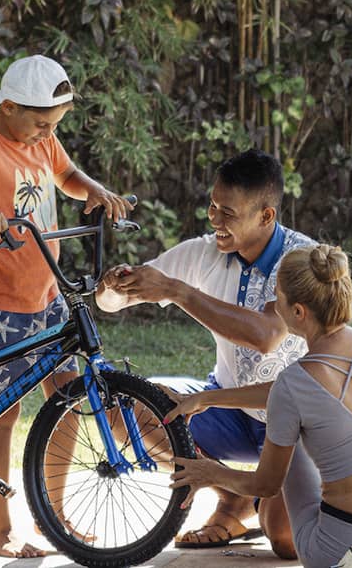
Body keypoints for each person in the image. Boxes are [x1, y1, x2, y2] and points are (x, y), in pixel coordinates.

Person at [0, 53, 132, 560]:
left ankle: (53, 515)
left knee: (70, 400)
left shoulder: (41, 137)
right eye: (40, 124)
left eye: (53, 126)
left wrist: (94, 189)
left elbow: (68, 173)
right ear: (9, 106)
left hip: (48, 293)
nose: (45, 134)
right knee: (2, 414)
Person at [100, 147, 313, 554]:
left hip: (295, 423)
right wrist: (113, 287)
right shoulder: (203, 251)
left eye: (228, 213)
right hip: (226, 407)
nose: (214, 219)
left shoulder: (301, 259)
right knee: (119, 405)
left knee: (285, 538)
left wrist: (178, 292)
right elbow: (113, 302)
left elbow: (267, 335)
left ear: (266, 216)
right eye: (213, 206)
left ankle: (258, 503)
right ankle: (233, 500)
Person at [166, 244, 352, 568]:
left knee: (293, 421)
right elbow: (298, 393)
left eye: (276, 296)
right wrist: (207, 398)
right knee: (302, 411)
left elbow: (265, 485)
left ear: (298, 312)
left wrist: (211, 473)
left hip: (337, 551)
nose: (271, 305)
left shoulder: (296, 382)